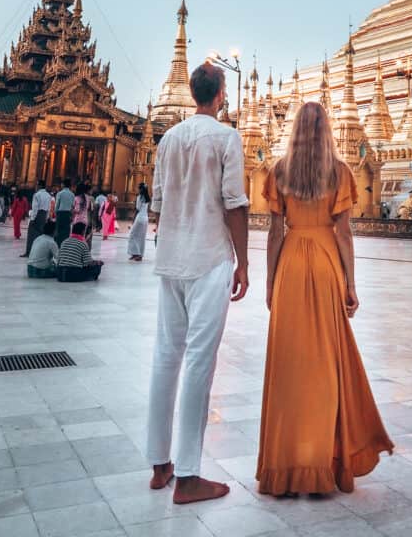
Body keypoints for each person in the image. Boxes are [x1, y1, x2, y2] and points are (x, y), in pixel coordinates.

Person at [257, 102, 393, 496]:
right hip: (326, 262)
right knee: (326, 363)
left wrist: (270, 280)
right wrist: (350, 283)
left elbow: (274, 232)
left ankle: (285, 470)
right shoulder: (340, 171)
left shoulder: (280, 170)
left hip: (290, 267)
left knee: (288, 366)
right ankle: (324, 462)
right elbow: (345, 233)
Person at [146, 62, 249, 506]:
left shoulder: (168, 139)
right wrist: (243, 261)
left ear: (192, 94)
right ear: (221, 93)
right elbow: (235, 205)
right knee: (199, 364)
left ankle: (159, 464)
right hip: (208, 260)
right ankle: (187, 474)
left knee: (166, 357)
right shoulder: (226, 138)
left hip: (171, 259)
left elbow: (157, 202)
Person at [22, 180, 52, 257]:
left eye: (37, 185)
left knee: (31, 235)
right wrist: (47, 217)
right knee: (40, 235)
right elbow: (49, 208)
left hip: (37, 215)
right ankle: (38, 252)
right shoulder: (48, 195)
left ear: (40, 186)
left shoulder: (37, 195)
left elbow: (35, 208)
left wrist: (32, 219)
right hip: (44, 215)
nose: (36, 186)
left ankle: (29, 252)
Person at [128, 183, 151, 261]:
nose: (138, 189)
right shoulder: (147, 198)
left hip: (140, 218)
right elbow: (147, 210)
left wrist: (133, 219)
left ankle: (135, 253)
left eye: (138, 188)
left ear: (141, 189)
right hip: (145, 218)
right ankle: (139, 255)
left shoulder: (139, 197)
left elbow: (137, 209)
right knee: (141, 237)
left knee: (132, 235)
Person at [54, 178, 75, 246]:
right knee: (66, 231)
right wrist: (72, 216)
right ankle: (64, 245)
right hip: (68, 214)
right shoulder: (72, 194)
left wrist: (55, 213)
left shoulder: (60, 193)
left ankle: (58, 244)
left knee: (59, 230)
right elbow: (73, 206)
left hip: (60, 213)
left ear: (63, 184)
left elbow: (57, 205)